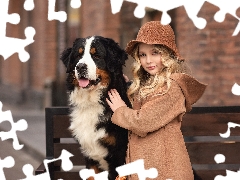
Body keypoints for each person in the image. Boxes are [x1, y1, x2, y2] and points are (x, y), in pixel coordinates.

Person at [106, 21, 207, 180]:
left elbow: (143, 121)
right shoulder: (148, 86)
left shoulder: (173, 87)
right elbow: (144, 104)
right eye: (143, 54)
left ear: (167, 54)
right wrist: (125, 86)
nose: (148, 61)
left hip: (166, 170)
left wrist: (120, 110)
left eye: (155, 53)